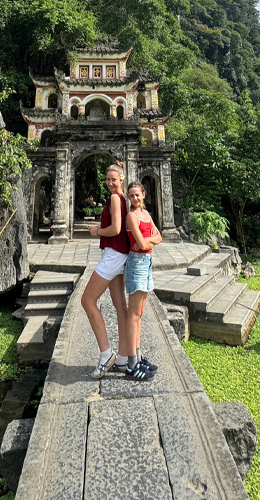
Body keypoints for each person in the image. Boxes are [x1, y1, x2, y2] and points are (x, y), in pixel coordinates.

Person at [80, 162, 130, 378]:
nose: (110, 183)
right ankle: (123, 358)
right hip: (121, 254)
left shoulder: (114, 198)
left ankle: (106, 354)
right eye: (108, 179)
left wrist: (96, 230)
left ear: (122, 179)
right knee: (121, 307)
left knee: (87, 301)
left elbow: (116, 228)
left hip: (113, 255)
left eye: (114, 179)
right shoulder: (123, 198)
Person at [123, 181, 162, 380]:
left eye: (137, 194)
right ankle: (131, 365)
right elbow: (141, 242)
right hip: (136, 263)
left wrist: (151, 241)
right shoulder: (130, 216)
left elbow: (159, 237)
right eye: (131, 195)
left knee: (139, 313)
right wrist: (151, 241)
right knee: (133, 314)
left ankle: (138, 357)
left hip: (146, 262)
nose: (135, 198)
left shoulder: (146, 215)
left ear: (144, 195)